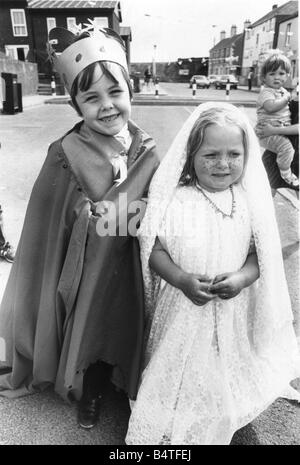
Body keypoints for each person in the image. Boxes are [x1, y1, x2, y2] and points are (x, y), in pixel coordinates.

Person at [0, 23, 159, 429]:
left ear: (131, 92)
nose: (106, 106)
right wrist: (89, 214)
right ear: (76, 106)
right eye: (92, 98)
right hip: (88, 265)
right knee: (91, 323)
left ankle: (123, 380)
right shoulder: (66, 153)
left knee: (128, 321)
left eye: (115, 93)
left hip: (133, 263)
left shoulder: (147, 148)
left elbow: (163, 201)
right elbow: (49, 221)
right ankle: (91, 389)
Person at [125, 102, 300, 445]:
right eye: (211, 154)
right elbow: (155, 250)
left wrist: (241, 279)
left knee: (222, 361)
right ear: (191, 156)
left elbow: (257, 255)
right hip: (182, 304)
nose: (223, 163)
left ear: (246, 155)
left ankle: (220, 405)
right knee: (179, 367)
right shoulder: (176, 199)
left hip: (232, 306)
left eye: (234, 154)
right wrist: (181, 279)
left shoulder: (250, 202)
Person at [255, 51, 298, 188]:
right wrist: (286, 99)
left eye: (281, 73)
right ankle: (287, 175)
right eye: (272, 74)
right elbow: (270, 107)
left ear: (287, 76)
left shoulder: (284, 92)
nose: (276, 77)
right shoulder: (267, 92)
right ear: (264, 77)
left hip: (277, 133)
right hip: (270, 133)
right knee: (286, 150)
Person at [259, 95, 299, 196]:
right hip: (279, 147)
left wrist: (274, 130)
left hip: (295, 150)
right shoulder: (290, 96)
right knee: (267, 187)